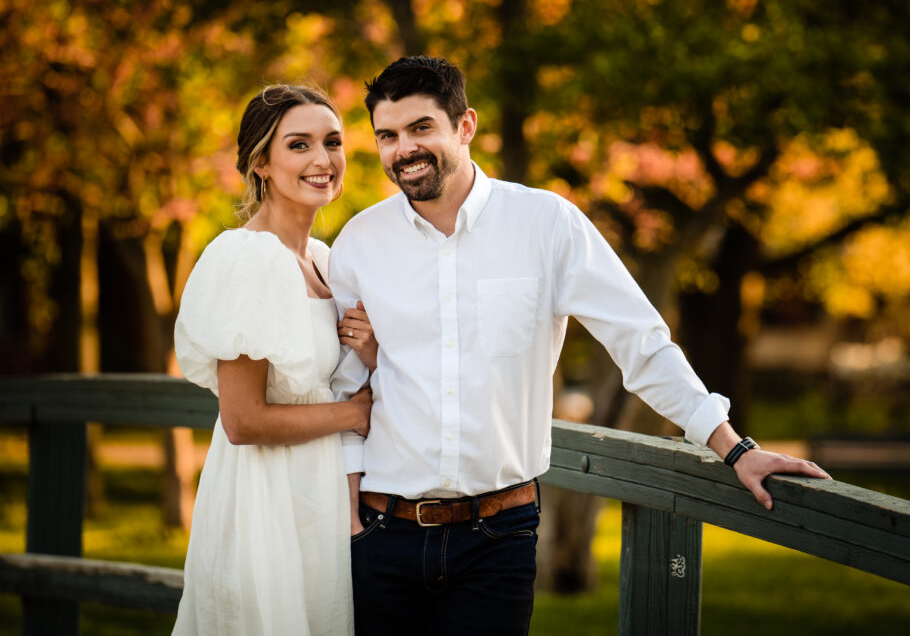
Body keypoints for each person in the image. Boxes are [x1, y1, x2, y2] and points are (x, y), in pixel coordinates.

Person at [328, 57, 830, 636]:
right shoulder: (360, 243)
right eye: (387, 136)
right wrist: (350, 525)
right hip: (382, 533)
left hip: (498, 537)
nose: (402, 150)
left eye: (420, 128)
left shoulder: (546, 224)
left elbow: (638, 340)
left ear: (464, 126)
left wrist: (735, 449)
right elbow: (347, 389)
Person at [172, 84, 376, 636]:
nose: (322, 160)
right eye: (299, 145)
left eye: (332, 142)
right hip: (265, 502)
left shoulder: (323, 260)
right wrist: (353, 414)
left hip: (317, 498)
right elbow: (243, 421)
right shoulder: (247, 258)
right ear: (261, 162)